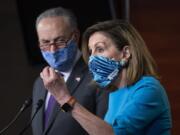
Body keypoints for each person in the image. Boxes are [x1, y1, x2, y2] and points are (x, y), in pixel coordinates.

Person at [40, 19, 172, 135]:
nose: (92, 58)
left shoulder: (149, 88)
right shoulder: (114, 94)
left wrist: (64, 98)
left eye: (100, 49)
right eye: (91, 52)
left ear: (125, 53)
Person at [31, 7, 109, 135]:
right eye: (45, 43)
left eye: (60, 41)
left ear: (76, 36)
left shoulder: (100, 74)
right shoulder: (40, 83)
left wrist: (64, 98)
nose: (52, 50)